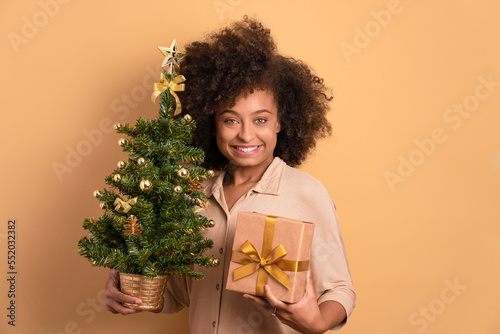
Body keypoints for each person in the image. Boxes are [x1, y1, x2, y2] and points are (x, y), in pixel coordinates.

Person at [105, 16, 356, 334]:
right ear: (211, 124)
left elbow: (340, 291)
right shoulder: (192, 196)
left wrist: (317, 322)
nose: (246, 135)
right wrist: (131, 292)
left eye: (261, 120)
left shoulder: (306, 193)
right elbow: (183, 293)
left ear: (281, 121)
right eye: (231, 120)